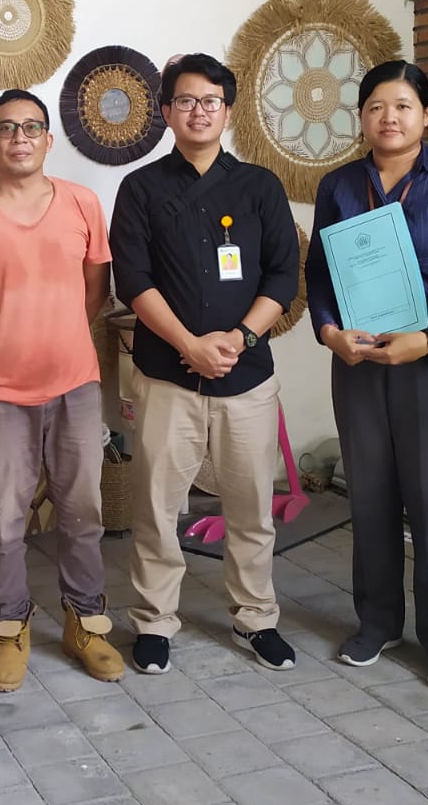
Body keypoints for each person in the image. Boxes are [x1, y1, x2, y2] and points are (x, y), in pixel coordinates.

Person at [306, 59, 428, 691]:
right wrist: (329, 332)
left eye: (403, 106)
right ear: (361, 117)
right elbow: (319, 273)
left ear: (427, 115)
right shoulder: (339, 185)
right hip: (359, 360)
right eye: (376, 107)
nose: (389, 117)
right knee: (369, 494)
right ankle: (378, 622)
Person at [109, 52, 300, 676]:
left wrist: (240, 337)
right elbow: (133, 279)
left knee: (250, 506)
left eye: (211, 101)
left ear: (228, 111)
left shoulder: (259, 186)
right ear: (167, 111)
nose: (199, 111)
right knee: (157, 507)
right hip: (168, 374)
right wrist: (189, 344)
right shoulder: (140, 189)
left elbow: (283, 274)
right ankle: (154, 621)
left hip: (247, 376)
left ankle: (256, 617)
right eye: (186, 101)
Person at [0, 88, 121, 692]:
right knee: (1, 520)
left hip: (75, 387)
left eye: (31, 127)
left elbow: (95, 289)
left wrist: (59, 338)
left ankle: (86, 624)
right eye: (7, 128)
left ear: (48, 140)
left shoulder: (82, 203)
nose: (19, 137)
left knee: (83, 512)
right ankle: (10, 630)